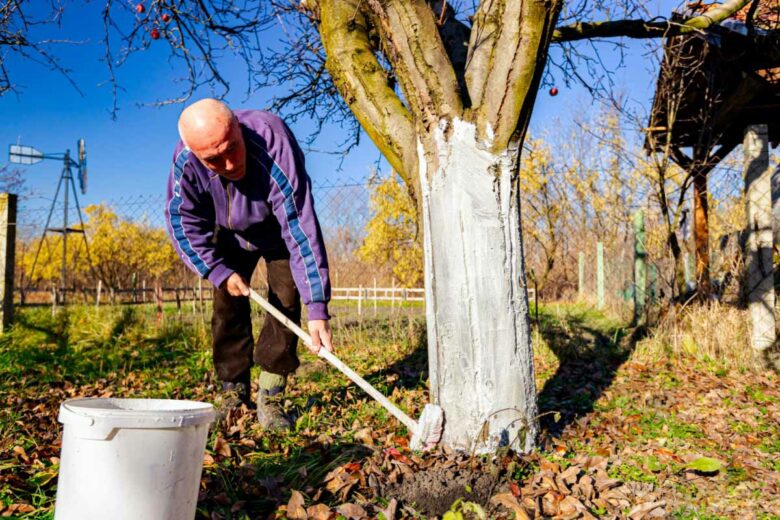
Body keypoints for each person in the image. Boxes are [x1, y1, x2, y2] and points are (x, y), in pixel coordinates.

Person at [164, 98, 333, 430]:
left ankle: (271, 393)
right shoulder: (186, 162)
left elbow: (299, 225)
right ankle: (233, 391)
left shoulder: (273, 141)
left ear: (238, 129)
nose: (229, 164)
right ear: (195, 154)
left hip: (277, 231)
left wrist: (318, 306)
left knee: (286, 298)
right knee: (227, 305)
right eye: (213, 159)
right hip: (226, 232)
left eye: (232, 148)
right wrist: (217, 271)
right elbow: (182, 223)